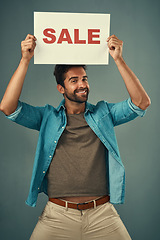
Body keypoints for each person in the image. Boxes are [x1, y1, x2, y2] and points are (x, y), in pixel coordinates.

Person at [0, 34, 150, 240]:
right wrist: (25, 60)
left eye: (84, 79)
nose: (82, 84)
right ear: (61, 88)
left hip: (102, 215)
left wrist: (118, 59)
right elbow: (7, 107)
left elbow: (141, 102)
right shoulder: (47, 117)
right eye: (74, 80)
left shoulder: (103, 113)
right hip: (57, 216)